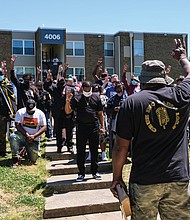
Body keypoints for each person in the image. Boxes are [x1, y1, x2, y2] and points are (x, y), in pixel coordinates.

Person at [110, 39, 190, 219]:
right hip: (177, 177)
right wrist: (182, 57)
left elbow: (120, 146)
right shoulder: (181, 95)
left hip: (145, 180)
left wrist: (117, 178)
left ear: (143, 80)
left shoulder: (131, 103)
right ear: (164, 78)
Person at [65, 81, 105, 182]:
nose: (88, 90)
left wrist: (103, 127)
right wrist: (67, 101)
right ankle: (81, 173)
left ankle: (95, 172)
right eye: (86, 88)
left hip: (94, 127)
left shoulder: (96, 97)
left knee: (94, 150)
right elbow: (68, 111)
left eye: (89, 88)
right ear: (82, 88)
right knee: (81, 151)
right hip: (81, 127)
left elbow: (100, 113)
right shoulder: (77, 98)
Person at [10, 99, 47, 167]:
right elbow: (17, 125)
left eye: (32, 111)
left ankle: (25, 151)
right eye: (29, 111)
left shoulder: (40, 113)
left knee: (33, 160)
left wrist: (34, 136)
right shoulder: (20, 112)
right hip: (22, 136)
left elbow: (44, 127)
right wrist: (26, 134)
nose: (31, 112)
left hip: (34, 139)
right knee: (13, 137)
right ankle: (15, 158)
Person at [0, 67, 17, 157]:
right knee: (2, 134)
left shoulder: (7, 84)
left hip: (9, 112)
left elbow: (12, 98)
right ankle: (2, 151)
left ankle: (14, 151)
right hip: (1, 113)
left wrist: (13, 111)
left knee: (12, 133)